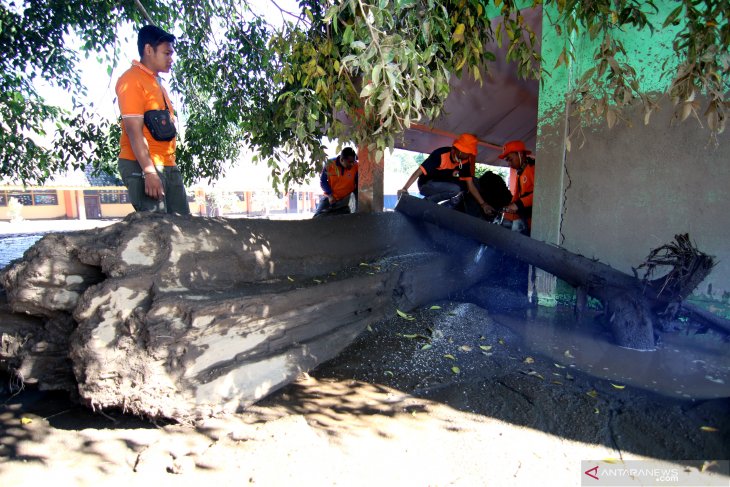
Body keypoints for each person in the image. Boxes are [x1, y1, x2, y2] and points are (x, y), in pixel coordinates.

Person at [115, 25, 190, 215]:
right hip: (143, 165)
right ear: (149, 50)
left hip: (167, 163)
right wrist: (149, 171)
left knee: (184, 227)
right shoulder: (131, 80)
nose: (171, 59)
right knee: (158, 232)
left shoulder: (156, 83)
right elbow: (134, 131)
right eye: (166, 53)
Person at [397, 133, 495, 217]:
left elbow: (470, 185)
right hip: (426, 185)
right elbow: (419, 171)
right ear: (454, 149)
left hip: (442, 186)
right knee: (455, 189)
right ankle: (426, 203)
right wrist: (405, 188)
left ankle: (444, 206)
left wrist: (483, 204)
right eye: (462, 155)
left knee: (470, 182)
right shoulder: (440, 155)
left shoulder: (465, 161)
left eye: (468, 156)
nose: (464, 159)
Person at [498, 140, 535, 235]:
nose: (509, 164)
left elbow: (541, 194)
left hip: (533, 220)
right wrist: (510, 205)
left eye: (510, 159)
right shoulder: (520, 172)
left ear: (521, 154)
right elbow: (517, 194)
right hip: (524, 216)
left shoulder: (533, 168)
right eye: (507, 161)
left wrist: (518, 204)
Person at [313, 147, 358, 217]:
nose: (352, 164)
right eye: (350, 162)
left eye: (353, 161)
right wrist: (330, 195)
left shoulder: (356, 166)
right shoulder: (330, 164)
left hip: (345, 200)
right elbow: (323, 182)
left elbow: (358, 185)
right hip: (330, 198)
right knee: (317, 218)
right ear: (342, 160)